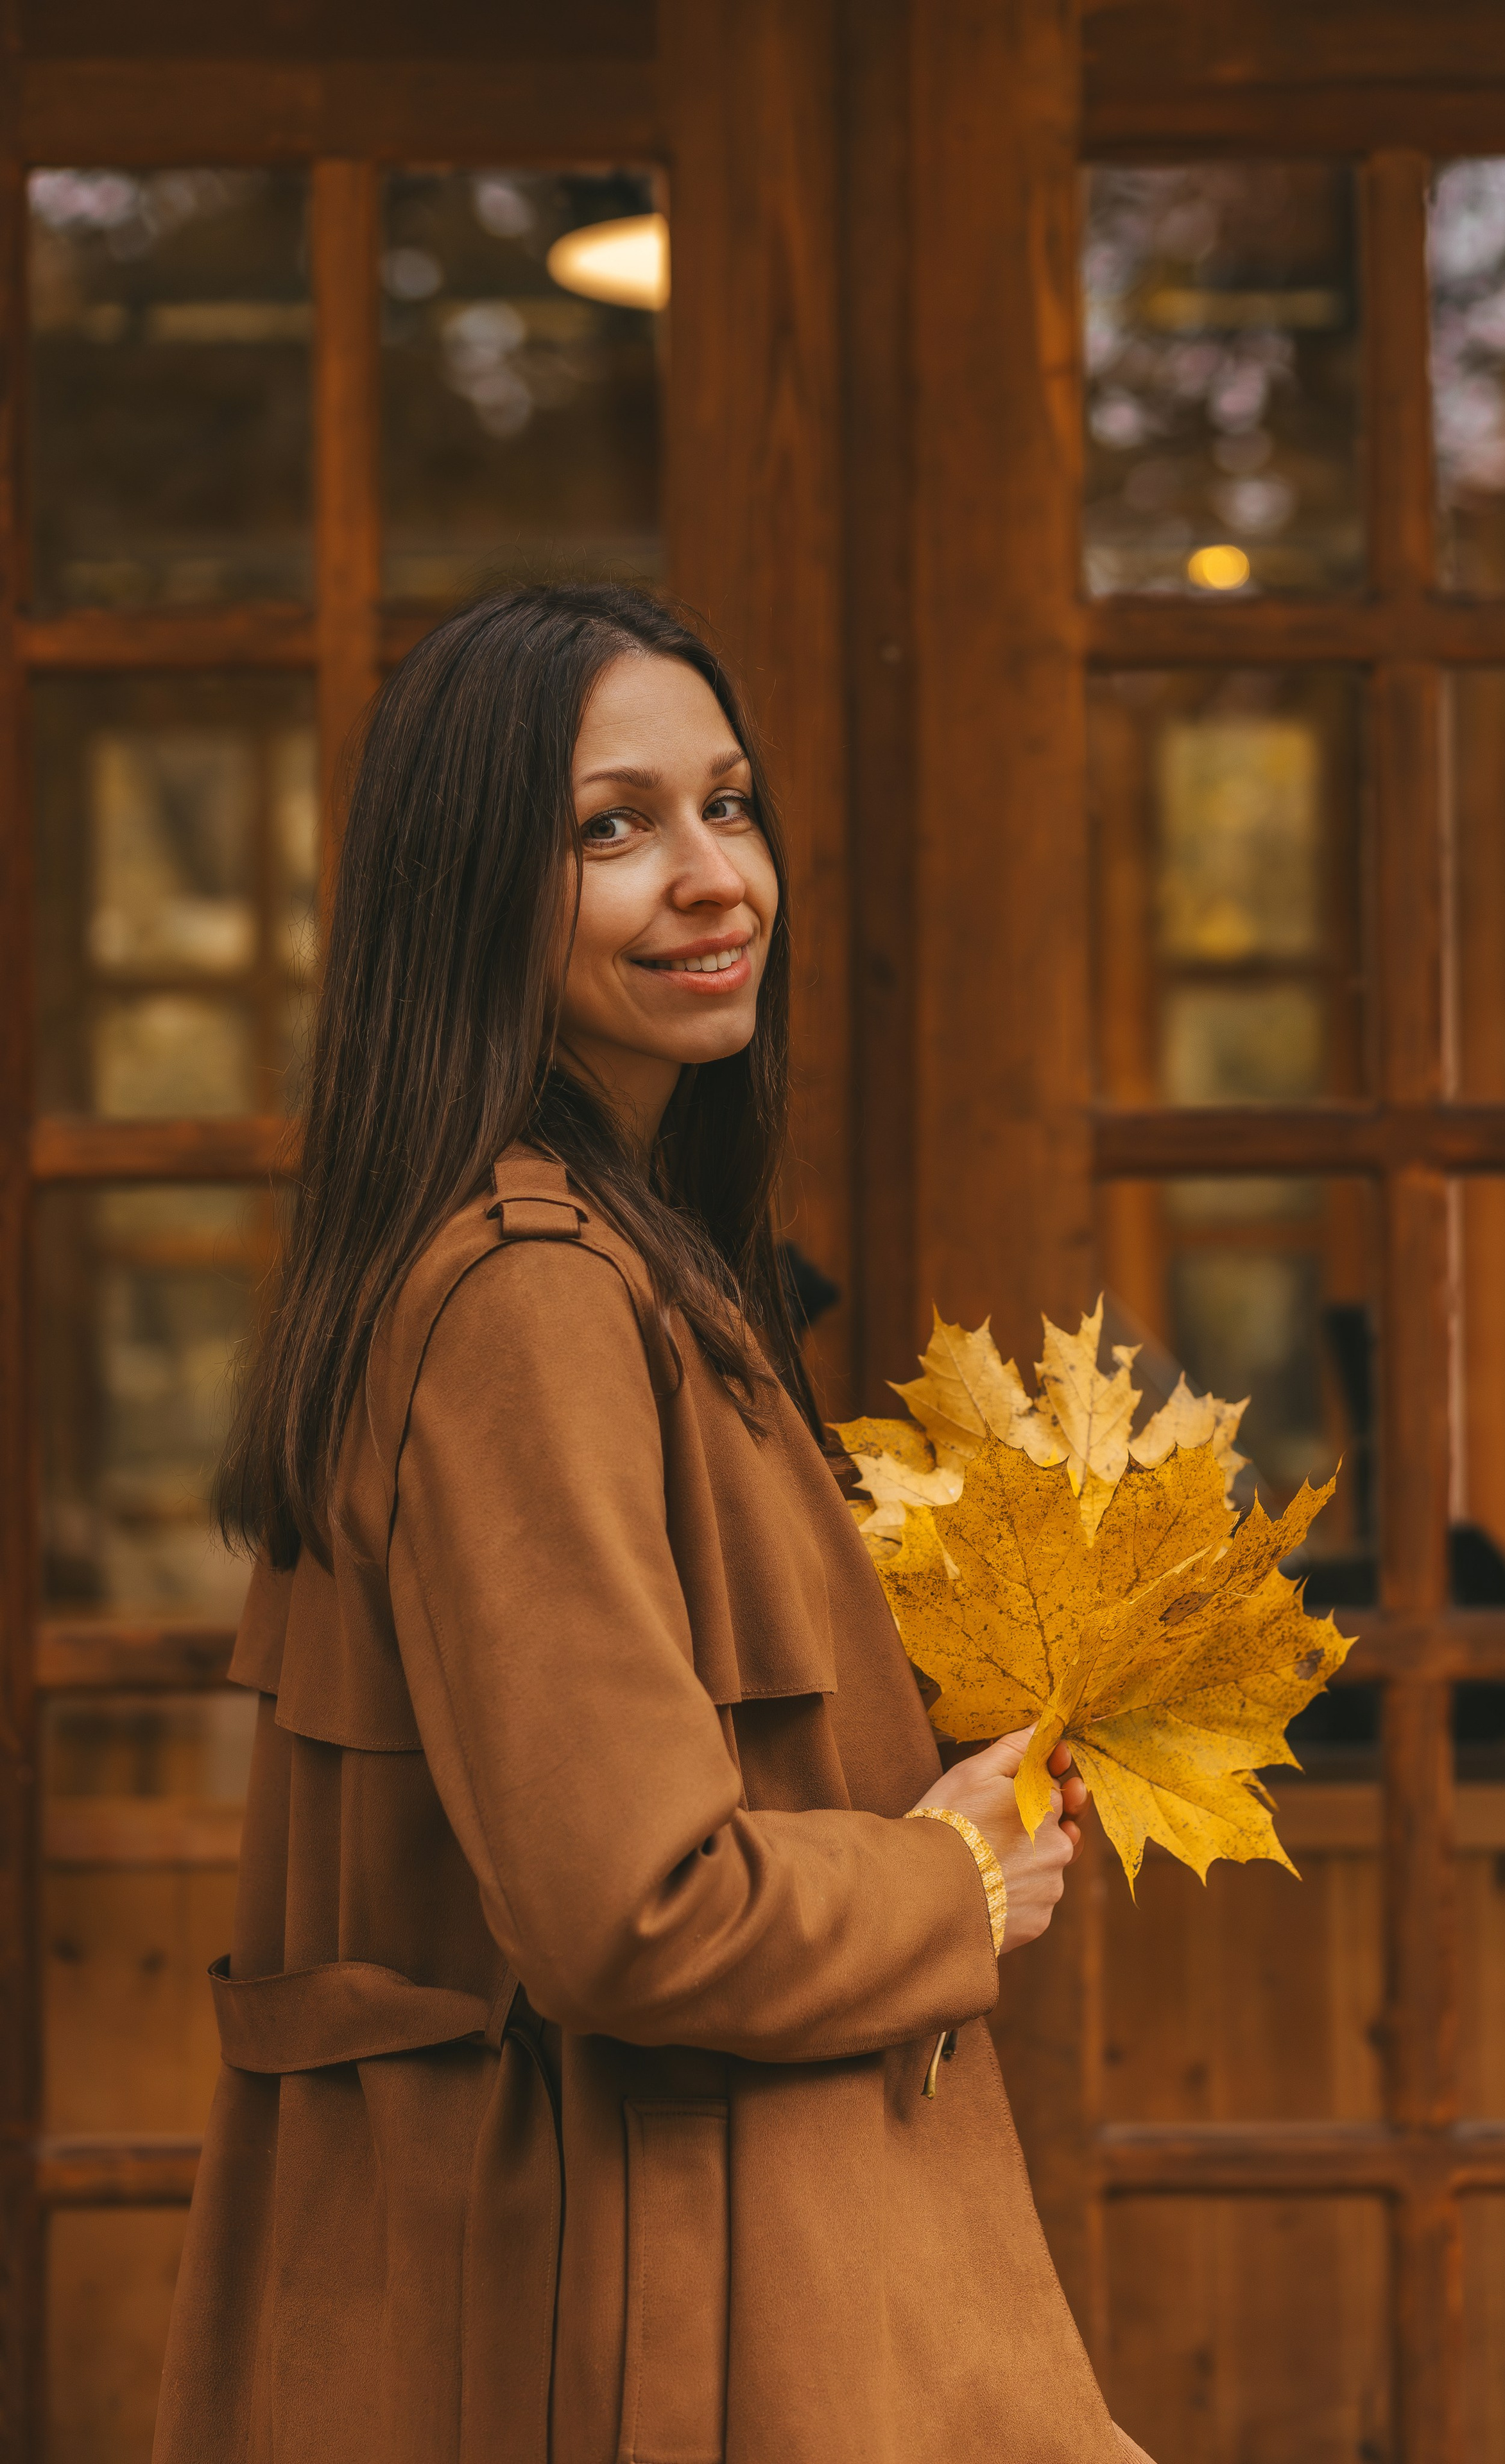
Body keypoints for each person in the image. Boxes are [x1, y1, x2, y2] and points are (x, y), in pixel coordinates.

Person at [153, 585, 1154, 2464]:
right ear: (467, 895)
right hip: (650, 2308)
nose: (713, 878)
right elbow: (634, 1910)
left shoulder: (608, 1257)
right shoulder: (530, 1293)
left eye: (731, 806)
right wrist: (946, 1881)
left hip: (662, 2275)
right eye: (611, 828)